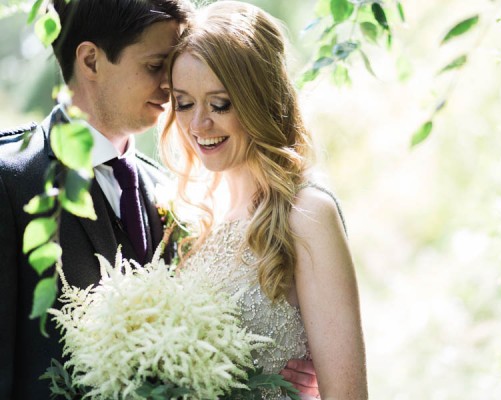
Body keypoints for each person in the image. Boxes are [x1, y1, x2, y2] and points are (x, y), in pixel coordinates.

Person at [0, 0, 317, 398]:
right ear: (91, 61)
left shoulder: (175, 193)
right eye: (155, 66)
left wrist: (266, 378)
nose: (170, 85)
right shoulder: (10, 182)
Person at [159, 2, 368, 399]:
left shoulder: (307, 215)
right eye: (184, 103)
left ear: (258, 99)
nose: (198, 124)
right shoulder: (194, 216)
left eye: (220, 104)